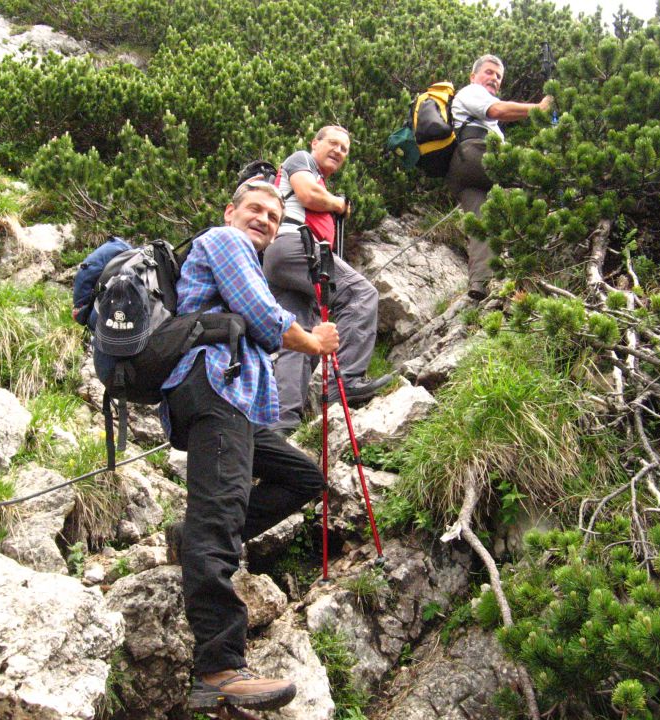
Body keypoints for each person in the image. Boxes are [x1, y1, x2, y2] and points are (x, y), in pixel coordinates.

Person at [159, 181, 339, 713]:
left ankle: (187, 538)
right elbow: (263, 317)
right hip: (213, 391)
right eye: (254, 208)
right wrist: (314, 341)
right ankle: (218, 667)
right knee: (221, 515)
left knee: (304, 478)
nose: (263, 218)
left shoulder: (240, 253)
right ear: (230, 211)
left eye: (273, 213)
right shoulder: (225, 240)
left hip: (231, 403)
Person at [261, 125, 391, 434]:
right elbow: (308, 194)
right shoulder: (301, 160)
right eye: (333, 143)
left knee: (299, 337)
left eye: (345, 149)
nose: (339, 151)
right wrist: (338, 203)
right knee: (360, 295)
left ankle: (285, 421)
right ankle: (346, 384)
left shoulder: (315, 173)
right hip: (297, 246)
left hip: (279, 258)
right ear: (314, 143)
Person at [447, 54, 554, 300]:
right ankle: (537, 236)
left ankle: (480, 284)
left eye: (498, 76)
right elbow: (497, 109)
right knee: (539, 168)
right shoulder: (471, 91)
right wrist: (539, 108)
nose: (494, 78)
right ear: (473, 76)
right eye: (489, 72)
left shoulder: (471, 99)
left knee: (481, 223)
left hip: (463, 171)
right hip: (477, 154)